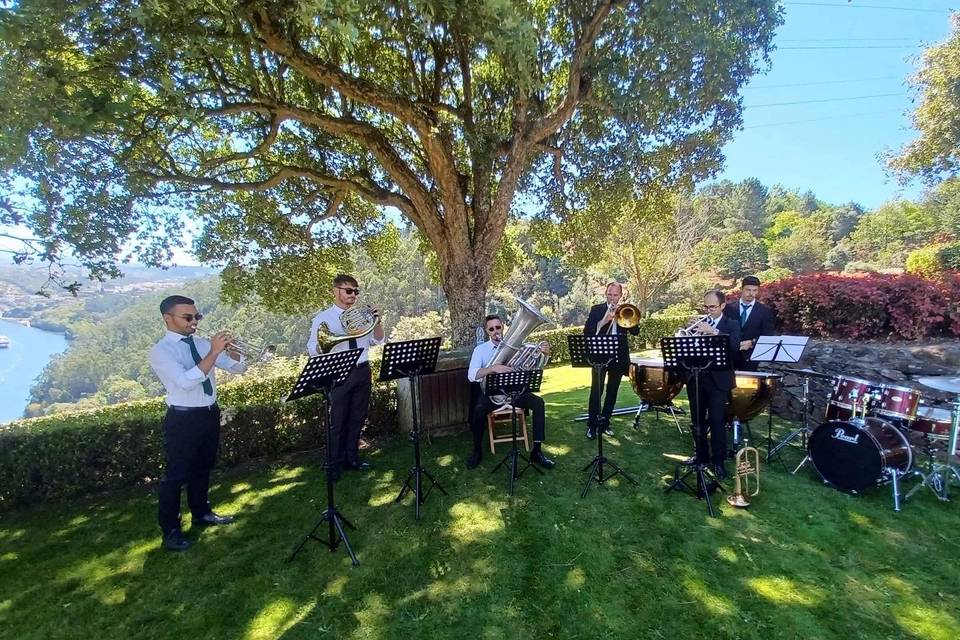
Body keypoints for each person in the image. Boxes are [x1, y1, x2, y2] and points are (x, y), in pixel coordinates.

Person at [149, 295, 248, 552]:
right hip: (183, 417)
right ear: (167, 318)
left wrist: (232, 350)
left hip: (208, 413)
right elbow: (184, 381)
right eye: (188, 317)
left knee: (203, 468)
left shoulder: (203, 344)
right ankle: (170, 531)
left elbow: (238, 369)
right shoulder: (162, 351)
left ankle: (201, 512)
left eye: (197, 317)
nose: (194, 322)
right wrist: (214, 352)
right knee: (175, 476)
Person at [307, 274, 384, 479]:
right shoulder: (323, 318)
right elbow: (312, 349)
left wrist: (377, 321)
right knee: (337, 420)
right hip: (338, 371)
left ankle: (352, 458)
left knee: (357, 417)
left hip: (362, 369)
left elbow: (379, 340)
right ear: (335, 290)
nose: (353, 295)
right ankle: (334, 464)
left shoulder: (365, 315)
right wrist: (328, 344)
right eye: (348, 290)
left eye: (356, 291)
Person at [465, 314, 555, 470]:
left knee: (539, 403)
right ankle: (477, 451)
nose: (495, 331)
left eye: (498, 327)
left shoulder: (518, 346)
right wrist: (492, 368)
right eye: (491, 329)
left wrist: (544, 354)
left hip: (515, 392)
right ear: (487, 331)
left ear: (503, 327)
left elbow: (537, 366)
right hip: (493, 395)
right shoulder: (481, 350)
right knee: (478, 409)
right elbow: (471, 375)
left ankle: (537, 451)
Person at [685, 289, 741, 479]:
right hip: (697, 378)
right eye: (706, 306)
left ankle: (718, 462)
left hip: (719, 381)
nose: (708, 310)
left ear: (723, 306)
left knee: (717, 422)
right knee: (697, 421)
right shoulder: (699, 324)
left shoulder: (731, 324)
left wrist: (714, 331)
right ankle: (700, 456)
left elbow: (734, 346)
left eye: (713, 307)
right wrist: (688, 337)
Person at [583, 282, 640, 438]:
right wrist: (605, 320)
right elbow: (587, 332)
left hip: (618, 358)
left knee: (612, 392)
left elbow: (636, 331)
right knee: (596, 391)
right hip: (599, 357)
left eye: (616, 295)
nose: (612, 297)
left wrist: (627, 315)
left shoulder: (625, 310)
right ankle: (592, 426)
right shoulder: (596, 310)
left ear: (621, 295)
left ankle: (605, 423)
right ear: (605, 294)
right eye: (610, 294)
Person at [722, 275, 777, 371]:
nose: (751, 293)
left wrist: (752, 342)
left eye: (754, 290)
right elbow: (723, 329)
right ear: (741, 289)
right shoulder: (728, 308)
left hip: (750, 358)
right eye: (748, 290)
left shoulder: (765, 311)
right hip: (729, 356)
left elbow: (768, 335)